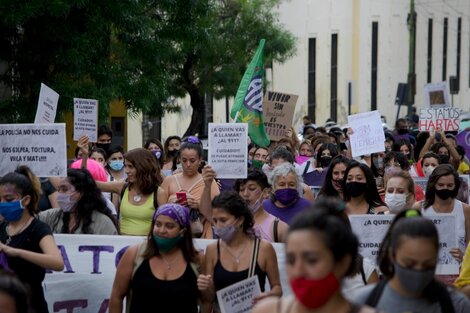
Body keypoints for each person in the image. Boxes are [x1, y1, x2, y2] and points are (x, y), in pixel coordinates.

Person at [252, 198, 378, 313]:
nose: (298, 271)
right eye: (291, 260)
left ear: (343, 263)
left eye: (311, 260)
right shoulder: (267, 310)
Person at [350, 209, 470, 313]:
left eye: (428, 264)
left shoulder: (456, 304)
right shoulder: (364, 301)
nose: (418, 270)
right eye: (409, 264)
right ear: (392, 255)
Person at [109, 203, 210, 313]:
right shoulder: (134, 254)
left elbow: (206, 300)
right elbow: (116, 296)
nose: (161, 230)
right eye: (158, 224)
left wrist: (207, 288)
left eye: (169, 226)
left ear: (183, 231)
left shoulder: (197, 259)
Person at [199, 191, 282, 312]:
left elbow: (277, 288)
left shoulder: (263, 249)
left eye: (223, 220)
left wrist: (269, 295)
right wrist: (205, 287)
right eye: (215, 221)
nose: (218, 226)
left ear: (240, 220)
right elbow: (209, 298)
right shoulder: (212, 250)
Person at [0, 166, 64, 313]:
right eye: (0, 199)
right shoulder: (2, 228)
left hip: (32, 306)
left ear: (26, 200)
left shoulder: (38, 229)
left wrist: (16, 252)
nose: (3, 203)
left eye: (8, 199)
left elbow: (57, 263)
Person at [158, 136, 220, 239]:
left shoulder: (209, 181)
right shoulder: (169, 181)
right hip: (172, 237)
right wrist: (171, 206)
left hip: (200, 236)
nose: (188, 164)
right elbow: (159, 215)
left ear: (200, 160)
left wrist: (197, 205)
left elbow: (216, 215)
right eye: (184, 160)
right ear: (179, 159)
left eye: (192, 161)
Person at [95, 146, 163, 236]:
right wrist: (84, 157)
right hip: (123, 245)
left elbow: (164, 223)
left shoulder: (159, 193)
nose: (126, 171)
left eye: (130, 167)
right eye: (125, 166)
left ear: (143, 167)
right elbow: (91, 184)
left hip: (147, 246)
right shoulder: (122, 186)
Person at [38, 168, 118, 235]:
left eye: (64, 189)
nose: (59, 194)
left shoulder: (103, 224)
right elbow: (29, 220)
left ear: (80, 193)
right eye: (58, 190)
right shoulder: (51, 217)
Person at [417, 164, 470, 263]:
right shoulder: (418, 208)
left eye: (449, 185)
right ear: (433, 184)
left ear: (455, 186)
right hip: (426, 271)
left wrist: (464, 258)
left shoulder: (465, 210)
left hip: (457, 272)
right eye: (441, 185)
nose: (445, 188)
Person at [233, 168, 288, 243]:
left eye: (252, 189)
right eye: (242, 189)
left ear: (265, 192)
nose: (245, 194)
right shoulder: (230, 223)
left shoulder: (279, 228)